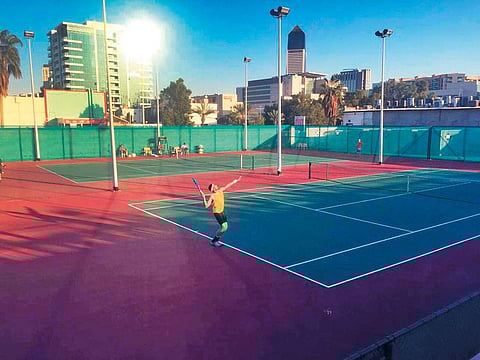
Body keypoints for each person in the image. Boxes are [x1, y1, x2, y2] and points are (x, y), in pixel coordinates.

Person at [200, 176, 242, 247]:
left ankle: (215, 240)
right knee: (224, 227)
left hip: (222, 211)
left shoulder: (220, 190)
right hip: (217, 212)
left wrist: (236, 180)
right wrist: (203, 197)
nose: (216, 185)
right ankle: (214, 241)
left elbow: (228, 185)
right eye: (215, 185)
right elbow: (206, 206)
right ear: (213, 189)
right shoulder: (212, 196)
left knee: (225, 227)